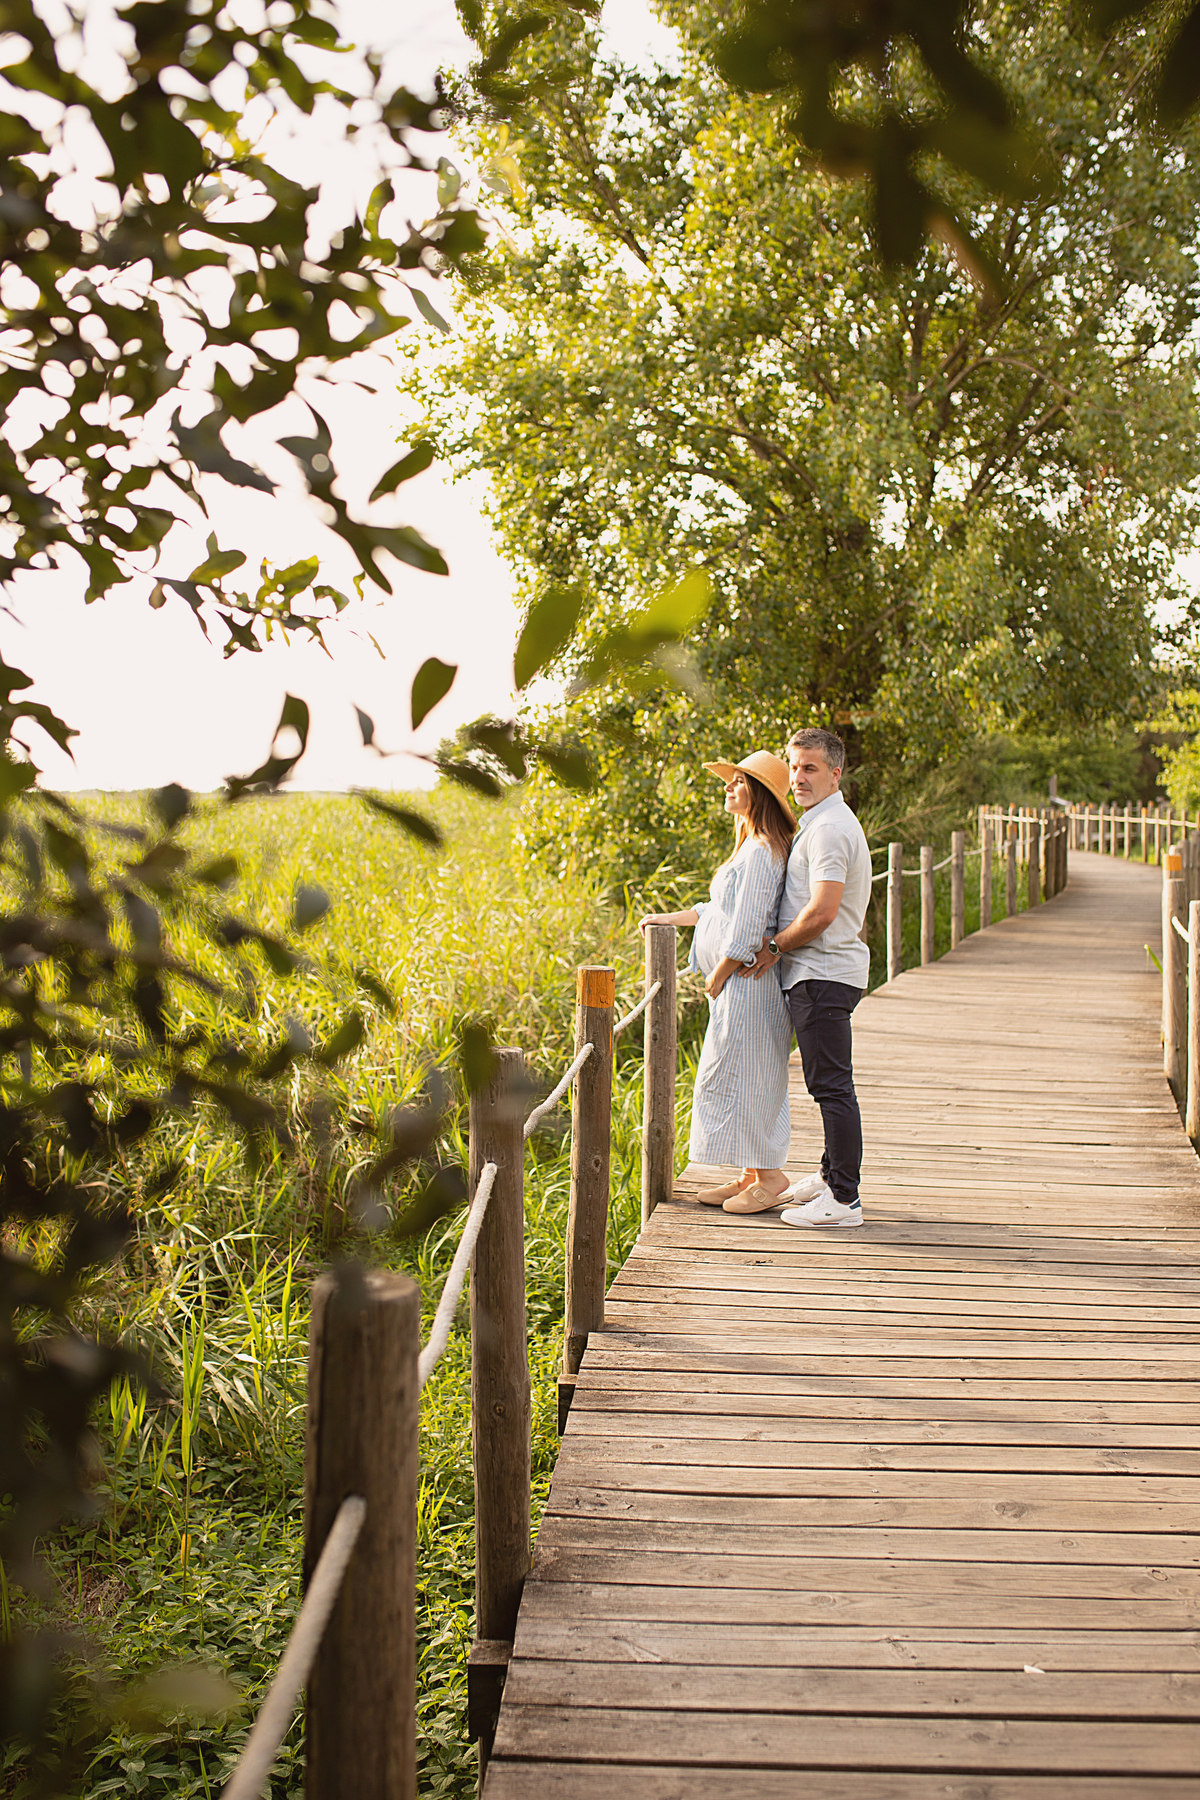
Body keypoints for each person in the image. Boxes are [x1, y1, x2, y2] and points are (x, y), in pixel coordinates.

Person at [639, 751, 796, 1212]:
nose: (728, 787)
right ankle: (750, 1172)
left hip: (747, 984)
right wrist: (666, 918)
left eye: (738, 782)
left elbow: (748, 925)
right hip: (737, 986)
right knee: (738, 1072)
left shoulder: (764, 849)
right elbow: (718, 911)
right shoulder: (749, 846)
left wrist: (719, 973)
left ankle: (771, 1177)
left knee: (746, 1075)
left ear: (760, 794)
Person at [739, 727, 871, 1229]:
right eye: (794, 767)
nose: (798, 777)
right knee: (828, 1084)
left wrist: (773, 948)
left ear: (835, 773)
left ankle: (844, 1200)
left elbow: (822, 911)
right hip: (821, 972)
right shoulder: (821, 821)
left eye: (810, 768)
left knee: (831, 1088)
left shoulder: (830, 828)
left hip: (822, 973)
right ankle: (830, 1176)